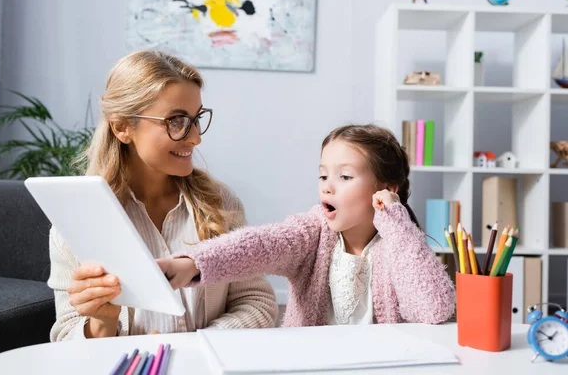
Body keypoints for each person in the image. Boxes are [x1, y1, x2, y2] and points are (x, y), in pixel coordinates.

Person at [47, 51, 277, 341]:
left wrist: (198, 346)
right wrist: (101, 322)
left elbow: (257, 301)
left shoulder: (220, 203)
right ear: (122, 128)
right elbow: (65, 337)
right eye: (176, 121)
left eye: (196, 119)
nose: (195, 138)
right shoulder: (77, 220)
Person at [160, 124, 455, 327]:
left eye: (345, 177)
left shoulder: (399, 244)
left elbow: (432, 309)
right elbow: (257, 245)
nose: (327, 187)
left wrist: (395, 219)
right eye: (323, 175)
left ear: (386, 189)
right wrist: (194, 264)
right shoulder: (312, 234)